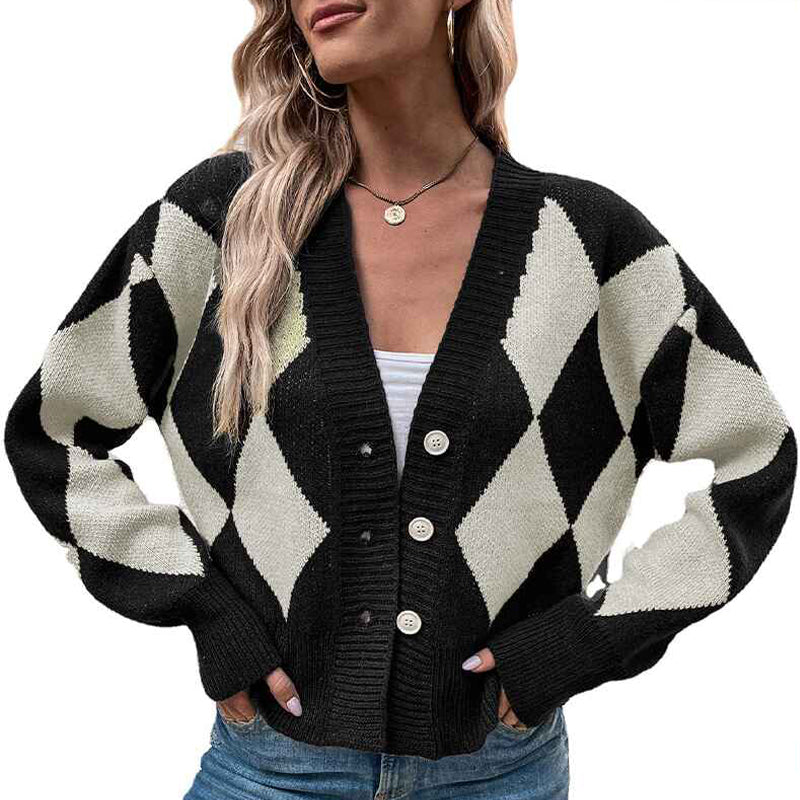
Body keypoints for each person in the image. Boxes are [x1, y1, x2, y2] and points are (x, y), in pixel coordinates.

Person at [4, 1, 796, 798]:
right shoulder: (224, 219)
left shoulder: (587, 242)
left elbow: (756, 456)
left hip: (503, 775)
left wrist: (585, 642)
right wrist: (200, 604)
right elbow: (54, 431)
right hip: (269, 772)